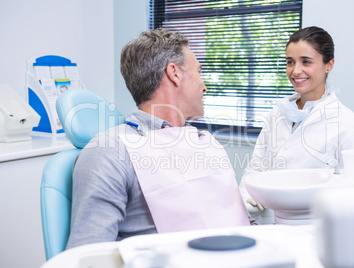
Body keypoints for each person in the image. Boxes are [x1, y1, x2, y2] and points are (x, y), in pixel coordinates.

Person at [66, 28, 251, 249]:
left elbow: (231, 218)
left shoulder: (201, 141)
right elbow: (88, 255)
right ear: (174, 73)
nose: (205, 86)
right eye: (199, 73)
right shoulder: (110, 151)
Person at [239, 26, 354, 218]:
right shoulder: (276, 115)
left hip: (315, 231)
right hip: (268, 226)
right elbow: (255, 169)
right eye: (290, 62)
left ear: (329, 65)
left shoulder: (348, 123)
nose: (295, 71)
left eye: (306, 62)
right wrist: (247, 200)